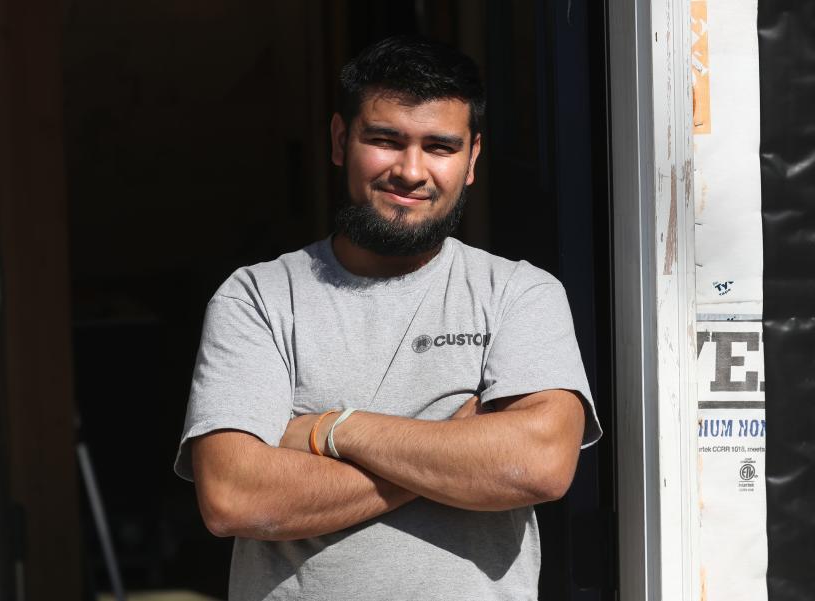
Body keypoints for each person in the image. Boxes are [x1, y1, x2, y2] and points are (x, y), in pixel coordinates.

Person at [175, 35, 602, 601]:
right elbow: (233, 495)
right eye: (385, 140)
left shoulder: (519, 293)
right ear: (338, 140)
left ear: (472, 159)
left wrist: (335, 431)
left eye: (440, 147)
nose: (411, 170)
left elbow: (540, 463)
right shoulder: (257, 298)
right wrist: (458, 447)